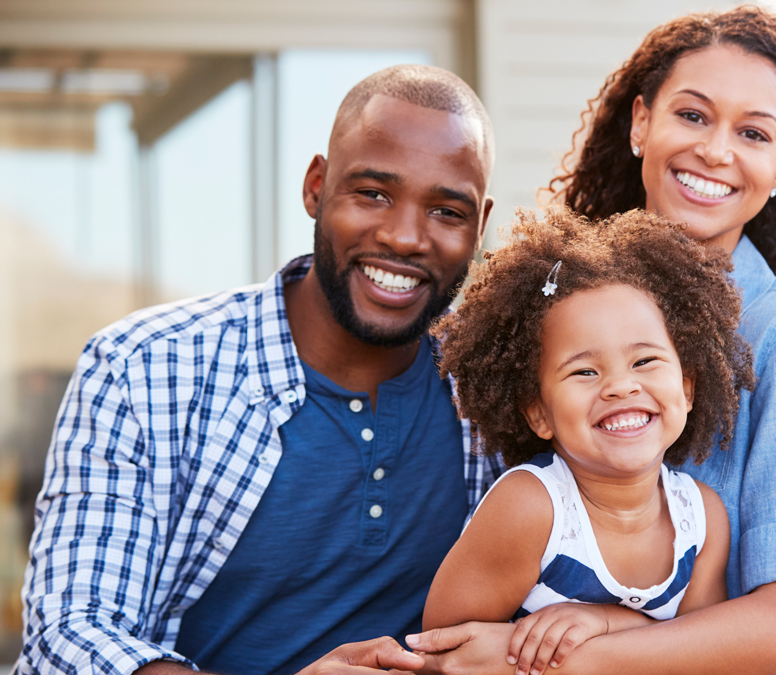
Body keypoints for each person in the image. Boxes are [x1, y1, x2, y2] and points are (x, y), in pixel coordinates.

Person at [405, 7, 776, 674]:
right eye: (693, 115)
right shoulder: (553, 299)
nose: (716, 150)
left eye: (754, 133)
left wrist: (569, 652)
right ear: (641, 121)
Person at [20, 64, 503, 675]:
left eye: (446, 211)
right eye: (373, 193)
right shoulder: (142, 370)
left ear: (479, 226)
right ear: (316, 187)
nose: (406, 237)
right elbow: (69, 636)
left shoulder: (500, 384)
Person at [423, 210, 754, 675]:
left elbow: (698, 656)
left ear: (687, 388)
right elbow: (444, 655)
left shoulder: (701, 521)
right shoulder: (532, 509)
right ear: (538, 412)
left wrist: (606, 621)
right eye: (584, 371)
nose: (620, 387)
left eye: (644, 361)